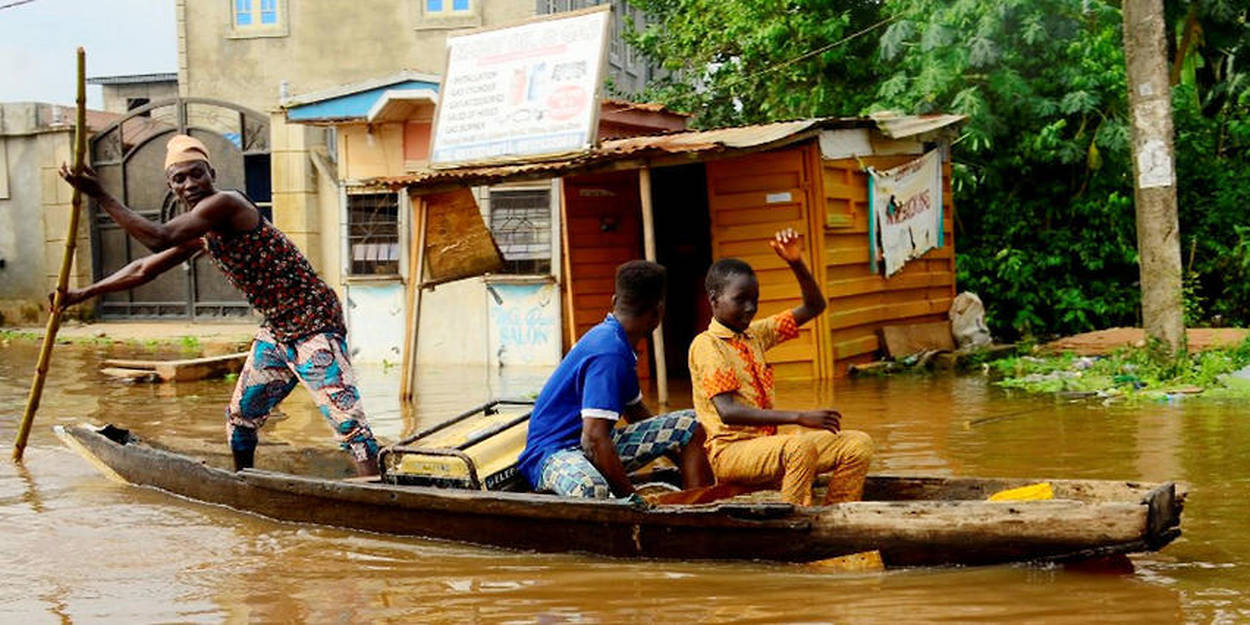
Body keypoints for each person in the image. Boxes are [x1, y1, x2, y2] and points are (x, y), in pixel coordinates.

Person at [56, 135, 380, 475]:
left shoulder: (225, 204)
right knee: (241, 420)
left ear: (212, 172)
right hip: (277, 330)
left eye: (197, 174)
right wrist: (81, 294)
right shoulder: (202, 227)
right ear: (172, 187)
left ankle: (376, 498)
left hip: (313, 321)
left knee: (350, 428)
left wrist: (101, 195)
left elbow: (158, 238)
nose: (190, 184)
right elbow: (143, 269)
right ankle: (244, 484)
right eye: (179, 179)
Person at [687, 228, 874, 506]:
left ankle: (835, 514)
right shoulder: (707, 345)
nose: (750, 308)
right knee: (798, 447)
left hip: (768, 448)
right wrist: (799, 416)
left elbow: (814, 306)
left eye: (755, 299)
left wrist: (795, 262)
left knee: (857, 444)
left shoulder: (755, 335)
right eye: (740, 300)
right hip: (730, 453)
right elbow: (727, 412)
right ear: (714, 300)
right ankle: (791, 521)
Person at [518, 260, 714, 500]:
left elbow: (636, 413)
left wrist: (683, 457)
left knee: (693, 425)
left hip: (587, 446)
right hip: (552, 455)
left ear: (613, 302)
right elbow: (592, 438)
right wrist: (632, 500)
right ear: (657, 314)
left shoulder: (619, 343)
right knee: (593, 490)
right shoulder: (609, 352)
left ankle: (697, 505)